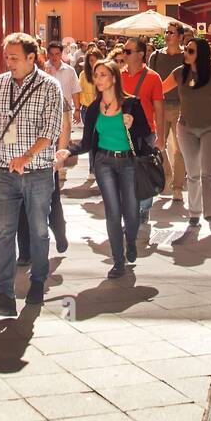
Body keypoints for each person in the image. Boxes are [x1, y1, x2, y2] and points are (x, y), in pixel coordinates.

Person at [0, 32, 64, 316]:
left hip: (36, 172)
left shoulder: (50, 87)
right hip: (3, 172)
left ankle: (37, 282)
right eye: (6, 57)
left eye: (14, 57)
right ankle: (3, 291)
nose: (8, 62)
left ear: (31, 57)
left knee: (38, 230)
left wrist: (27, 156)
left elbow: (51, 130)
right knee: (4, 233)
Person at [56, 60, 151, 278]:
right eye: (96, 75)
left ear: (114, 78)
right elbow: (87, 143)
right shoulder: (93, 110)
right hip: (104, 163)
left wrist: (133, 123)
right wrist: (68, 151)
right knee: (112, 212)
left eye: (102, 75)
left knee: (131, 212)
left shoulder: (131, 104)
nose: (98, 79)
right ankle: (118, 261)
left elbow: (146, 131)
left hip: (128, 163)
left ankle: (131, 241)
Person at [15, 40, 73, 269]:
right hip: (19, 159)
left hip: (45, 158)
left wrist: (60, 155)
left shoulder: (51, 88)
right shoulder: (12, 87)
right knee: (20, 206)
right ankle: (25, 251)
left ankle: (59, 233)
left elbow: (65, 125)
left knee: (51, 202)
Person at [166, 37, 211, 229]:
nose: (185, 53)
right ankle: (194, 213)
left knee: (209, 172)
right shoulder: (179, 73)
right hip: (186, 128)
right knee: (193, 173)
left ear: (201, 55)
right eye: (186, 50)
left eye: (191, 51)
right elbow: (159, 88)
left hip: (210, 128)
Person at [120, 37, 165, 229]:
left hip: (145, 132)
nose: (124, 54)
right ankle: (131, 211)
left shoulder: (153, 77)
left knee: (143, 172)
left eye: (128, 51)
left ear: (141, 54)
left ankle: (144, 209)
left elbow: (159, 108)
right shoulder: (118, 76)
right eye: (124, 50)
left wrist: (161, 137)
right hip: (121, 133)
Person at [149, 23, 187, 202]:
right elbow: (150, 80)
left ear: (180, 37)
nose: (167, 35)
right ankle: (167, 174)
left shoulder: (187, 56)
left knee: (180, 150)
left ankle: (178, 187)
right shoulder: (156, 56)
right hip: (160, 107)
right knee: (159, 145)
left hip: (181, 106)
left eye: (171, 33)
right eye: (166, 32)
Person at [45, 41, 82, 125]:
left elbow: (75, 91)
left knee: (65, 137)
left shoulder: (70, 71)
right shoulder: (42, 70)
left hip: (65, 113)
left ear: (61, 54)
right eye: (51, 54)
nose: (54, 57)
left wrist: (77, 110)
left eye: (57, 54)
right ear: (48, 54)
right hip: (47, 114)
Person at [78, 45, 102, 123]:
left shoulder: (105, 74)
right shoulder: (83, 74)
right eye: (91, 60)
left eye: (96, 60)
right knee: (89, 134)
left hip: (101, 110)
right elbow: (79, 92)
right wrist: (77, 109)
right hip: (86, 109)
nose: (94, 63)